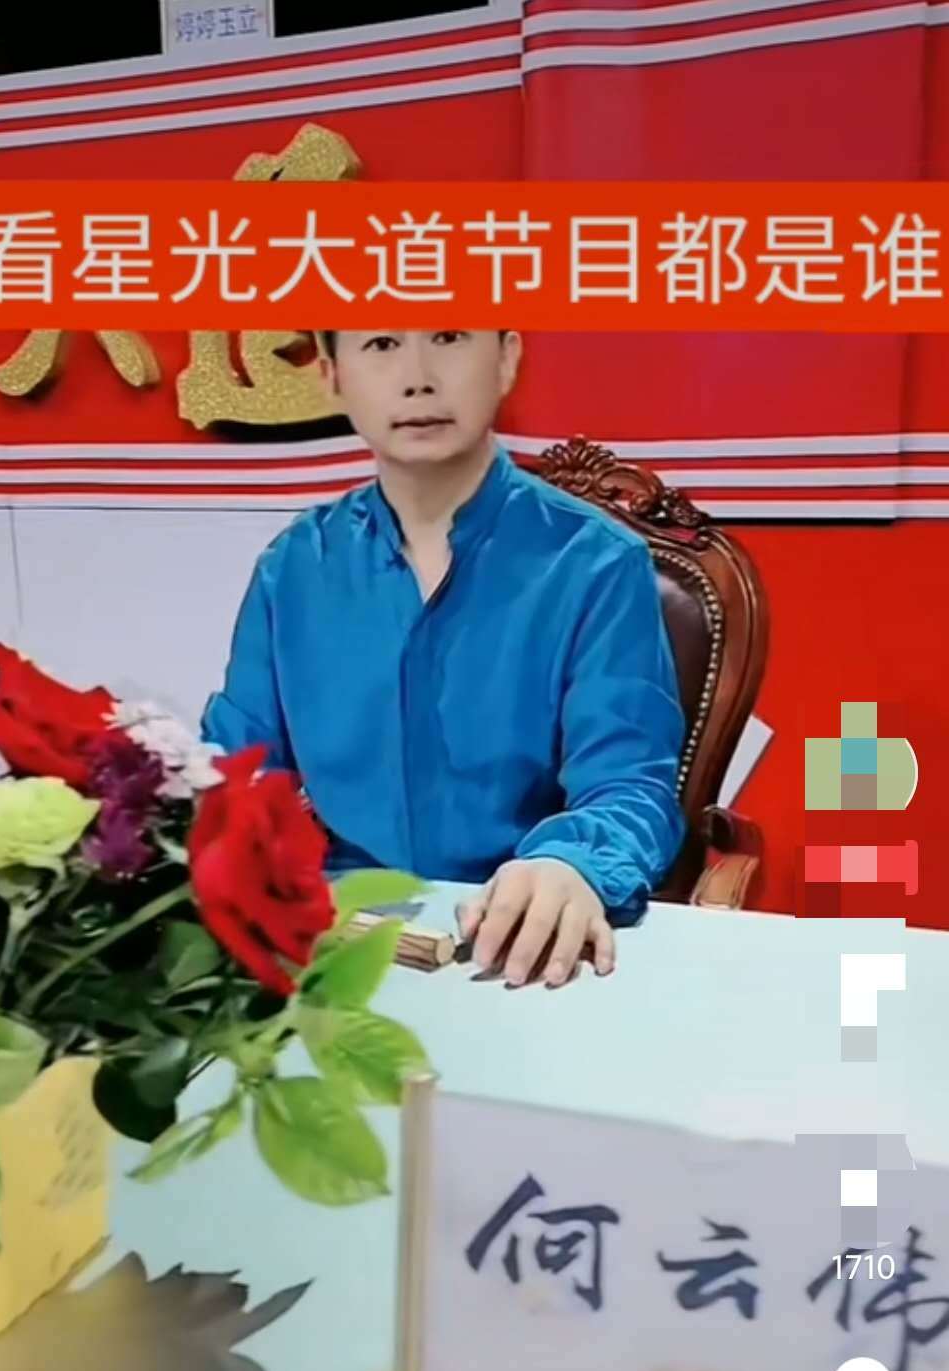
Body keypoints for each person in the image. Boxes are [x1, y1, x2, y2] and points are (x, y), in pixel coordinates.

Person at [201, 330, 686, 987]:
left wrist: (570, 865)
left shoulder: (597, 563)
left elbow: (630, 786)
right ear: (331, 375)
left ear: (507, 358)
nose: (418, 377)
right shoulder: (295, 566)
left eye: (450, 336)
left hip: (523, 941)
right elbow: (239, 772)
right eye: (381, 344)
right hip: (337, 938)